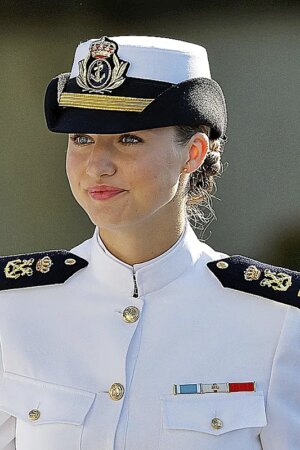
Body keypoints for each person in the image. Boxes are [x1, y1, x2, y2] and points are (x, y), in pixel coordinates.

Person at [0, 35, 299, 450]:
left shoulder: (279, 321)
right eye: (81, 138)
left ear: (193, 153)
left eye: (128, 139)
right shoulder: (12, 307)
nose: (97, 166)